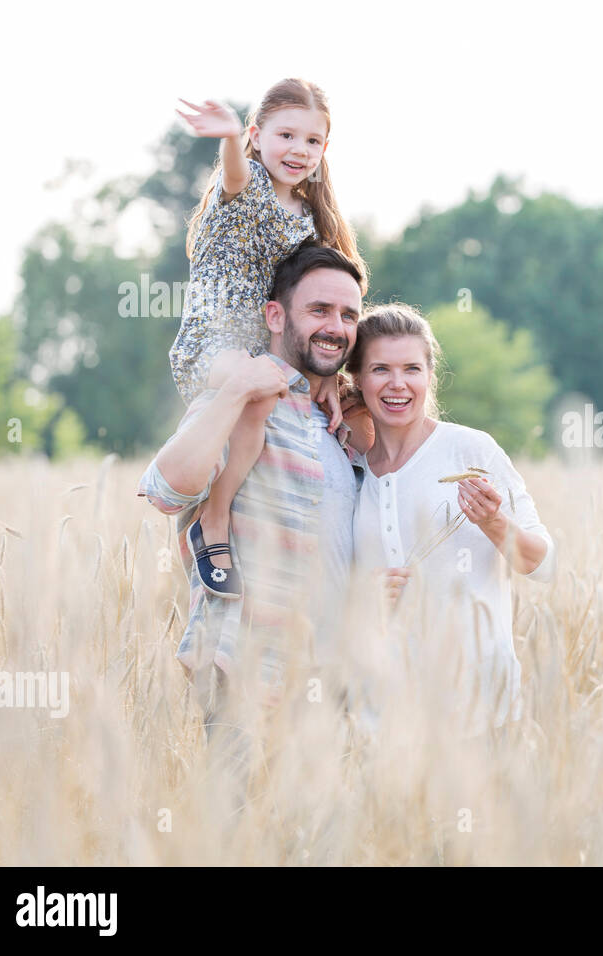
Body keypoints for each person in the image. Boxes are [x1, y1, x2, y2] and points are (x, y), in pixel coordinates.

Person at [138, 243, 368, 763]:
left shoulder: (341, 425)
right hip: (247, 675)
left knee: (321, 844)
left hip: (331, 678)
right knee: (236, 835)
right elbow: (167, 487)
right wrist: (236, 389)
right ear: (274, 315)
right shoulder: (242, 404)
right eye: (319, 310)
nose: (337, 326)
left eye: (349, 314)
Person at [170, 78, 367, 601]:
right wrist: (230, 138)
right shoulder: (245, 190)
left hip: (264, 352)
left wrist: (331, 374)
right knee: (255, 388)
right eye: (285, 136)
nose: (298, 151)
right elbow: (236, 177)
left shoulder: (310, 224)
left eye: (312, 141)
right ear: (259, 137)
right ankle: (211, 524)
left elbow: (318, 304)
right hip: (212, 344)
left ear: (325, 150)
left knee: (273, 391)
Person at [345, 304, 557, 738]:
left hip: (479, 712)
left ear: (430, 376)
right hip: (386, 719)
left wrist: (494, 523)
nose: (398, 384)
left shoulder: (471, 451)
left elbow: (544, 565)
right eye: (380, 369)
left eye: (412, 368)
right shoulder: (351, 468)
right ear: (358, 380)